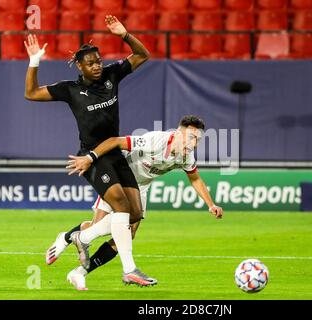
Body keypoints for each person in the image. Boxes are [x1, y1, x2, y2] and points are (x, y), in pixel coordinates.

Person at [24, 15, 155, 286]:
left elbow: (143, 55)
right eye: (91, 63)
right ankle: (130, 270)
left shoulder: (111, 75)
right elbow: (32, 93)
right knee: (119, 204)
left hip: (116, 154)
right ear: (80, 66)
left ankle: (78, 237)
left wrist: (124, 34)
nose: (97, 66)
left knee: (134, 215)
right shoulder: (70, 90)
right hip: (91, 158)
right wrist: (34, 61)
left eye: (99, 60)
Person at [50, 115, 223, 290]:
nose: (194, 144)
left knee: (127, 234)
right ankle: (66, 238)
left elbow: (195, 179)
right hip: (119, 179)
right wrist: (90, 158)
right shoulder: (154, 141)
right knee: (98, 225)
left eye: (198, 140)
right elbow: (116, 141)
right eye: (192, 138)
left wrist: (211, 204)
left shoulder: (186, 157)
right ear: (178, 133)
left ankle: (79, 272)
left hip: (141, 187)